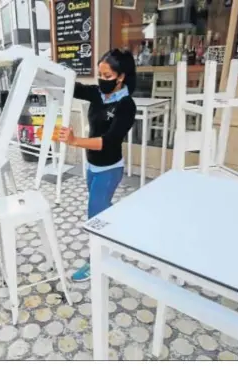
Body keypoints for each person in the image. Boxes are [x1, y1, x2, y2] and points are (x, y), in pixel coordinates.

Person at [58, 48, 137, 282]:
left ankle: (96, 262)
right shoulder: (98, 94)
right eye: (99, 75)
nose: (101, 80)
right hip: (91, 168)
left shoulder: (126, 105)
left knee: (95, 218)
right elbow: (74, 88)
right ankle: (118, 232)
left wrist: (74, 141)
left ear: (121, 76)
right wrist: (51, 76)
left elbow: (109, 141)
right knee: (102, 208)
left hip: (110, 170)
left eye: (107, 76)